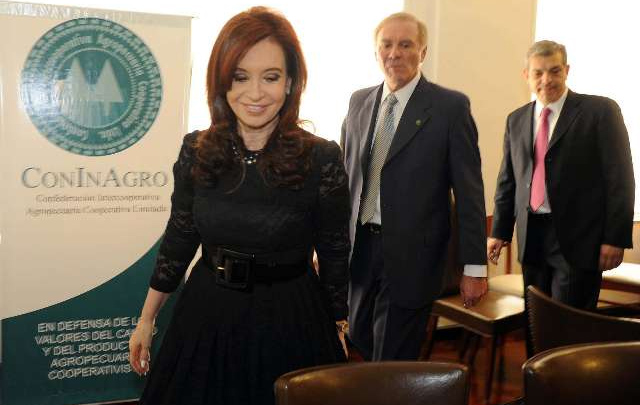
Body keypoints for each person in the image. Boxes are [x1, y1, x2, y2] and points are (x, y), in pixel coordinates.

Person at [128, 7, 350, 404]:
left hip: (291, 319)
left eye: (271, 77)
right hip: (207, 316)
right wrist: (147, 319)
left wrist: (339, 321)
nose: (255, 93)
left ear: (290, 82)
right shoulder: (196, 150)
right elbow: (179, 238)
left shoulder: (321, 158)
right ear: (221, 82)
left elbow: (334, 248)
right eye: (240, 76)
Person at [341, 12, 488, 361]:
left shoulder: (450, 108)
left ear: (423, 52)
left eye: (405, 44)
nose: (395, 53)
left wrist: (474, 268)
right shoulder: (359, 102)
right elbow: (344, 182)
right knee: (359, 341)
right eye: (386, 45)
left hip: (413, 260)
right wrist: (327, 246)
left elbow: (469, 193)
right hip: (360, 253)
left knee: (391, 358)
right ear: (376, 52)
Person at [488, 40, 635, 355]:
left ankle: (569, 381)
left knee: (569, 325)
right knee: (535, 320)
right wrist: (499, 231)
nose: (547, 80)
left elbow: (620, 177)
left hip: (580, 238)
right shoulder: (516, 119)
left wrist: (615, 237)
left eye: (554, 71)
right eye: (538, 73)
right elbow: (508, 180)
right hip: (532, 235)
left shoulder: (599, 111)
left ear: (566, 70)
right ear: (526, 75)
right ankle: (537, 379)